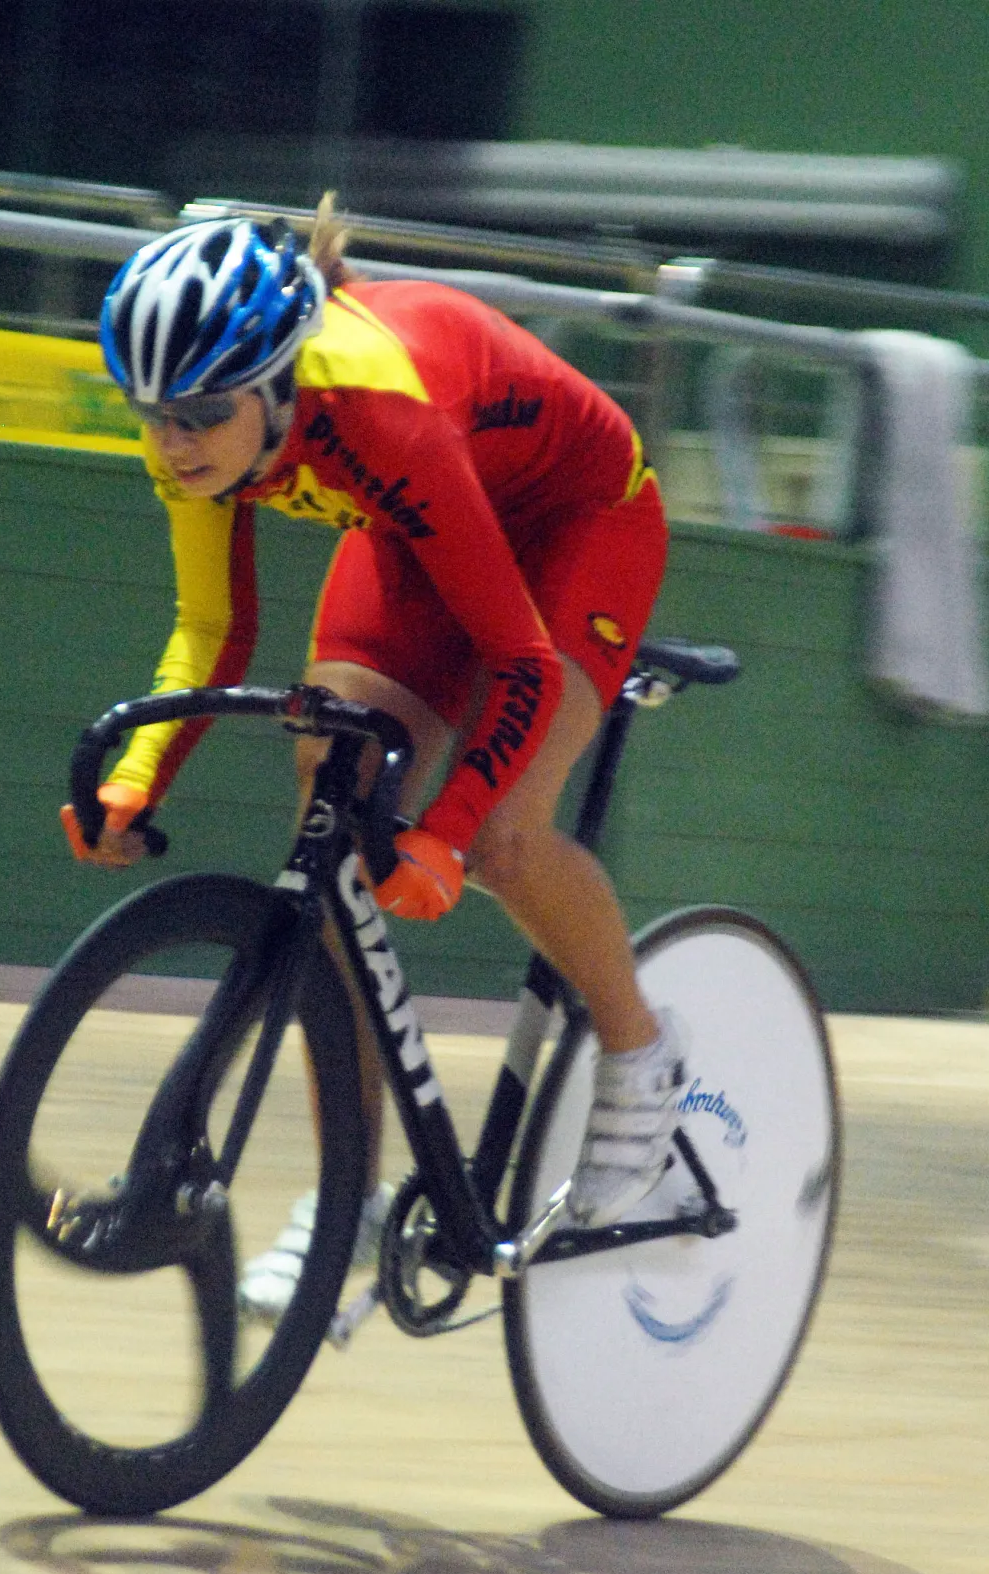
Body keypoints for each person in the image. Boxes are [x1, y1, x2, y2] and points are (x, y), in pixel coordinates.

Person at [63, 200, 685, 1324]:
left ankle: (640, 1055)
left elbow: (523, 664)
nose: (173, 441)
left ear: (275, 382)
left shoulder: (376, 418)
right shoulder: (198, 427)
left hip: (576, 519)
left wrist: (446, 835)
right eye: (149, 415)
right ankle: (346, 1193)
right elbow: (208, 629)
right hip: (423, 523)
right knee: (331, 796)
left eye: (201, 413)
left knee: (499, 837)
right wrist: (132, 781)